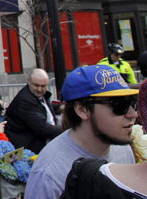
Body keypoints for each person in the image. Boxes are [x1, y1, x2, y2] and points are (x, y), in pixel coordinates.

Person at [26, 65, 138, 199]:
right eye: (119, 105)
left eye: (132, 102)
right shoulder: (49, 173)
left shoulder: (122, 147)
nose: (133, 114)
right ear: (82, 109)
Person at [5, 68, 61, 154]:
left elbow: (43, 107)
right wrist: (68, 129)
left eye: (43, 86)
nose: (39, 89)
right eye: (36, 85)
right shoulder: (25, 100)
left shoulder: (36, 95)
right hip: (29, 148)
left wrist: (60, 107)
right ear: (29, 81)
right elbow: (42, 128)